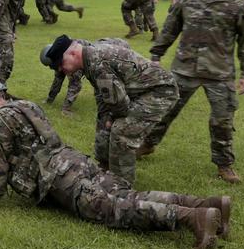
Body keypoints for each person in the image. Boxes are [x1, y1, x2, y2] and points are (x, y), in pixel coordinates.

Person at [0, 78, 230, 249]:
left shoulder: (1, 120)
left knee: (116, 209)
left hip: (61, 180)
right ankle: (207, 204)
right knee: (128, 195)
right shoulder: (25, 105)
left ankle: (191, 218)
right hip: (76, 161)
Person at [140, 0, 244, 184]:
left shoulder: (238, 2)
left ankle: (224, 164)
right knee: (164, 110)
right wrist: (156, 54)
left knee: (222, 120)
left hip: (219, 72)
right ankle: (147, 144)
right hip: (184, 68)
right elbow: (170, 28)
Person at [44, 35, 178, 185]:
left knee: (121, 132)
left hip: (159, 92)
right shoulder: (89, 59)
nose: (61, 69)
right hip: (140, 91)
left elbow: (119, 103)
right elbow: (105, 99)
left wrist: (112, 119)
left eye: (61, 64)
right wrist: (106, 121)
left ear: (73, 54)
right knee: (105, 123)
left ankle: (121, 188)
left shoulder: (97, 63)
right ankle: (105, 169)